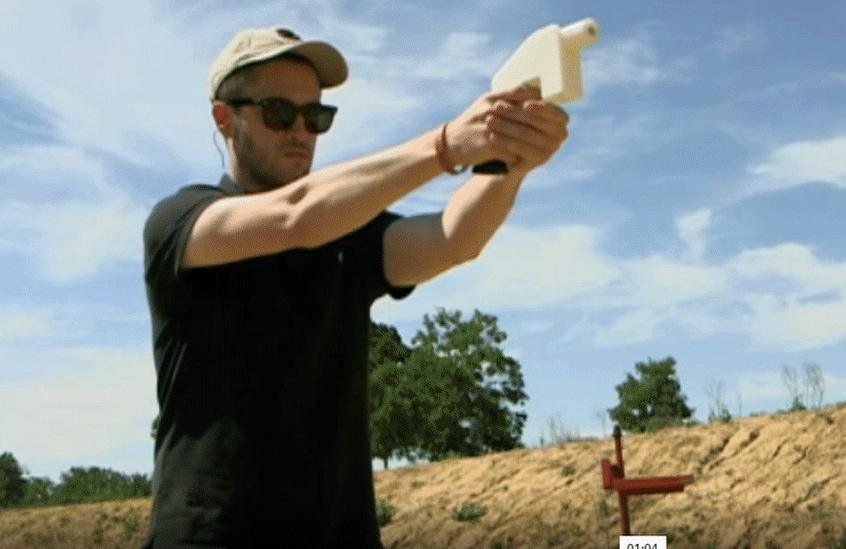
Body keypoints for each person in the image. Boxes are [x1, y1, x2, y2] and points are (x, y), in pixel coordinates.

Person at [141, 26, 569, 548]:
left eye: (316, 117)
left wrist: (508, 159)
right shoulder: (180, 223)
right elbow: (295, 217)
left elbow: (451, 239)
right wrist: (444, 147)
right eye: (279, 113)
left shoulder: (348, 229)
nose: (301, 130)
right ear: (224, 118)